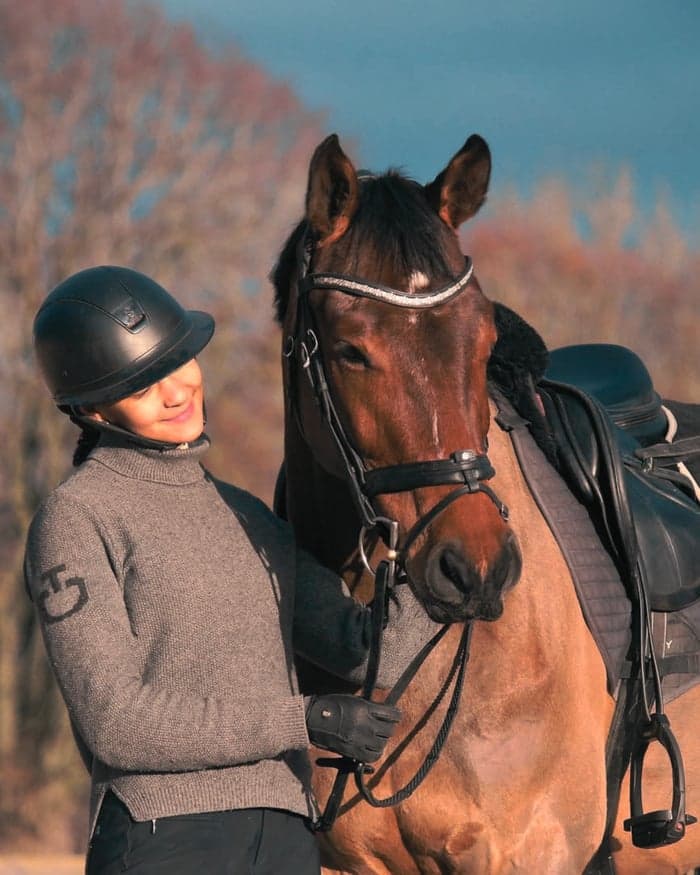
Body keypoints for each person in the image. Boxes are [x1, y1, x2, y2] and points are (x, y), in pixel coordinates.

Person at [24, 266, 439, 875]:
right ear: (92, 411)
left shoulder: (249, 517)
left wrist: (433, 548)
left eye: (176, 364)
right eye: (141, 387)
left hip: (288, 838)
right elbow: (116, 724)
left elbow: (368, 652)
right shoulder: (77, 517)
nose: (175, 392)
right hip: (163, 837)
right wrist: (304, 719)